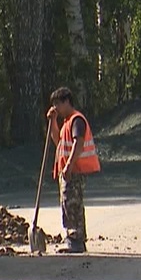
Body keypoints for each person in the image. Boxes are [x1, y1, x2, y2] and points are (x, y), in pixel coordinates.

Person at [46, 86, 101, 254]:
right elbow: (58, 141)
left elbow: (79, 143)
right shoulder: (66, 123)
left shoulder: (77, 120)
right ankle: (74, 239)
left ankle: (75, 239)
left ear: (67, 101)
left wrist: (69, 165)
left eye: (57, 104)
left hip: (74, 171)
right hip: (67, 171)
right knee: (68, 203)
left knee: (72, 204)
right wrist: (53, 121)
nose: (55, 108)